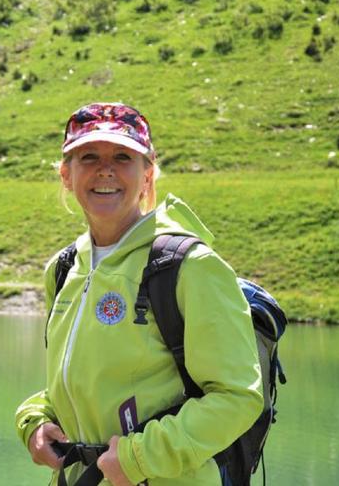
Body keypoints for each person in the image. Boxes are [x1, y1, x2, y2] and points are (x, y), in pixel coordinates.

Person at [15, 103, 263, 486]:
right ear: (66, 175)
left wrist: (139, 458)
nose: (105, 169)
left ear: (147, 174)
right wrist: (36, 421)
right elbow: (80, 385)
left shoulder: (189, 265)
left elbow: (237, 398)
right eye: (89, 157)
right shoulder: (64, 269)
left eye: (122, 157)